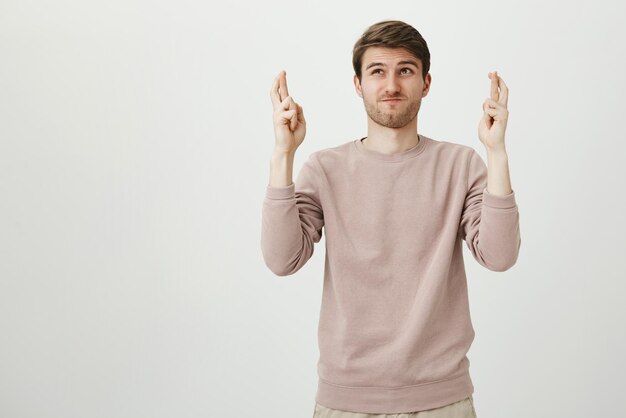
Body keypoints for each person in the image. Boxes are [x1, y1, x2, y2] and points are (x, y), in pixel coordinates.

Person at [261, 19, 520, 418]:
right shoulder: (325, 168)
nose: (391, 85)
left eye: (405, 71)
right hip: (345, 400)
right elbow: (282, 260)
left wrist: (497, 152)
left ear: (426, 83)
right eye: (377, 72)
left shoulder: (460, 165)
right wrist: (283, 155)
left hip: (443, 400)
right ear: (358, 84)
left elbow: (499, 256)